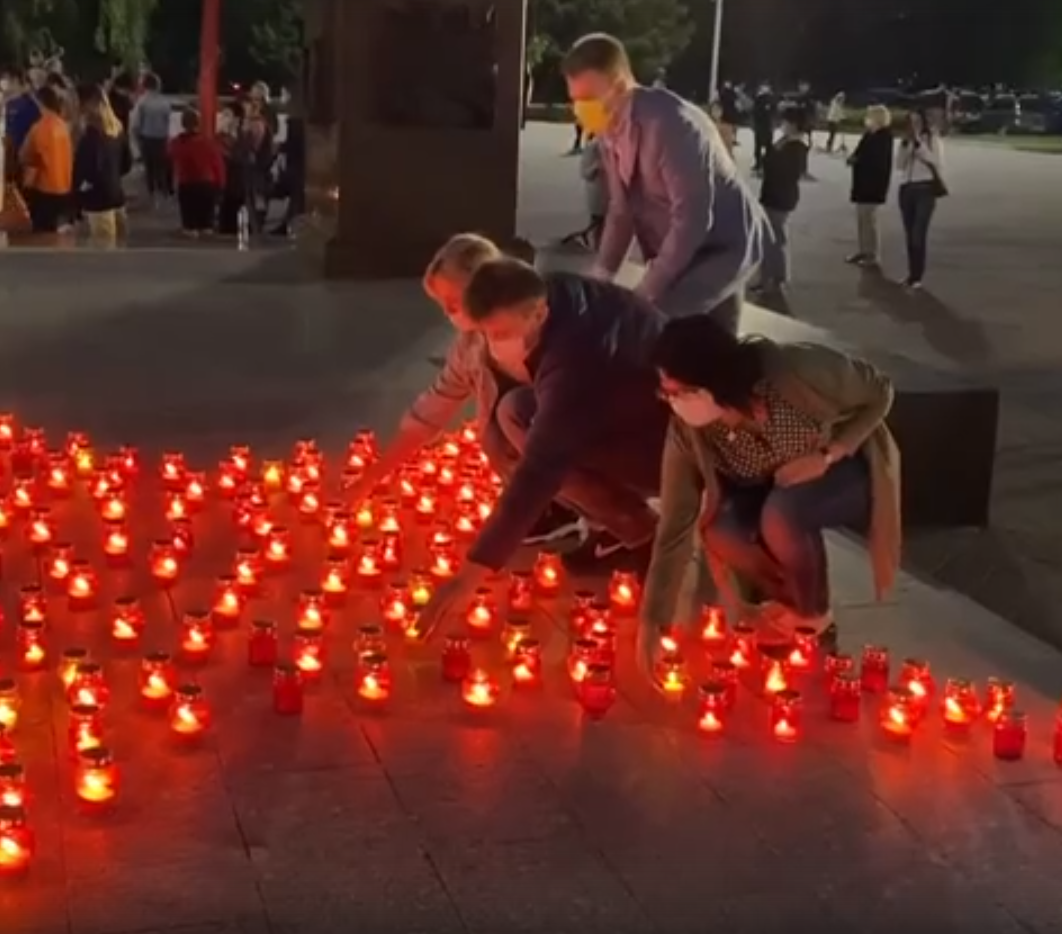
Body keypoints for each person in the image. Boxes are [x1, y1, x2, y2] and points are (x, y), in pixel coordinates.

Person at [407, 255, 672, 639]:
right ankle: (619, 526)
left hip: (663, 442)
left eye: (503, 334)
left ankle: (645, 536)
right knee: (515, 412)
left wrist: (470, 575)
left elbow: (540, 469)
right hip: (617, 407)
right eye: (490, 334)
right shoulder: (542, 289)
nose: (498, 344)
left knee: (537, 437)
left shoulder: (573, 357)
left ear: (538, 314)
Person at [639, 315, 900, 673]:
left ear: (717, 380)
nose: (675, 403)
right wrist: (652, 623)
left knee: (782, 515)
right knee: (720, 531)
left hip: (843, 469)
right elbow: (674, 526)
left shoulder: (795, 372)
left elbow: (880, 390)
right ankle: (789, 610)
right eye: (666, 392)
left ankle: (813, 619)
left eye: (683, 391)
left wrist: (828, 455)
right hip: (766, 490)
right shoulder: (690, 431)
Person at [343, 234, 587, 548]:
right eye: (443, 306)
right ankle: (549, 506)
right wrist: (368, 480)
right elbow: (430, 413)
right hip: (544, 449)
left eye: (453, 302)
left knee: (512, 410)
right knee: (496, 429)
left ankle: (593, 511)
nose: (449, 313)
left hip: (591, 431)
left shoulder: (545, 316)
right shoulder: (471, 348)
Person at [562, 33, 765, 324]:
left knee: (674, 324)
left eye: (588, 99)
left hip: (721, 245)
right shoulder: (610, 129)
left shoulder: (671, 126)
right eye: (575, 99)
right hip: (682, 246)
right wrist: (602, 276)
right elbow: (622, 210)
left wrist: (646, 293)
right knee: (680, 327)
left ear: (619, 87)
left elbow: (692, 220)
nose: (580, 110)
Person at [753, 108, 808, 297]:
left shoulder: (797, 146)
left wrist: (771, 158)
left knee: (773, 239)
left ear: (792, 124)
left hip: (781, 196)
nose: (782, 125)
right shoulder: (784, 142)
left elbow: (788, 171)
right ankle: (773, 277)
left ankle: (773, 279)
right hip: (772, 194)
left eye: (785, 122)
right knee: (773, 238)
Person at [896, 109, 946, 289]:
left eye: (916, 122)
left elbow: (936, 161)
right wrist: (905, 145)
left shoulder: (932, 139)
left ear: (923, 122)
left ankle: (917, 276)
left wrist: (918, 143)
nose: (912, 126)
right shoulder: (907, 141)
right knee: (909, 235)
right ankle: (911, 274)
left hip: (924, 189)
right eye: (910, 122)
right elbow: (899, 165)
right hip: (906, 189)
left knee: (918, 234)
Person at [73, 85, 126, 247]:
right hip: (117, 196)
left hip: (98, 201)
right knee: (119, 248)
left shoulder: (91, 135)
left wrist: (80, 190)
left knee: (102, 255)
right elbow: (127, 163)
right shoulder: (117, 129)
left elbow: (86, 171)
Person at [19, 85, 72, 234]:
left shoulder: (38, 128)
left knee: (42, 233)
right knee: (59, 233)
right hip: (64, 187)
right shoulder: (63, 126)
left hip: (45, 189)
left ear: (40, 103)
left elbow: (24, 155)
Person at [845, 105, 894, 267]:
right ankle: (863, 250)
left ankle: (872, 255)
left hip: (873, 185)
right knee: (862, 219)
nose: (867, 119)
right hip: (862, 183)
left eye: (870, 116)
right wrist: (853, 158)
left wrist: (858, 161)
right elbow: (860, 153)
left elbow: (878, 162)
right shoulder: (869, 135)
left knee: (869, 221)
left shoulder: (884, 137)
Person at [169, 109, 225, 236]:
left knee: (189, 224)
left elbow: (171, 159)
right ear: (198, 123)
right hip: (207, 184)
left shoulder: (176, 143)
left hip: (186, 184)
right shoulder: (208, 142)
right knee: (207, 224)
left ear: (183, 124)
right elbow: (218, 165)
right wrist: (221, 185)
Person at [133, 73, 173, 203]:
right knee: (161, 167)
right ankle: (163, 192)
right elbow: (167, 122)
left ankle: (151, 194)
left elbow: (136, 124)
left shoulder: (142, 102)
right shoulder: (165, 102)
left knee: (149, 168)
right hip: (162, 138)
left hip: (147, 138)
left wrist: (137, 140)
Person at [751, 82, 776, 175]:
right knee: (759, 146)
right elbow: (754, 111)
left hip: (766, 125)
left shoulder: (771, 98)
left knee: (766, 146)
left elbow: (773, 110)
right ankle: (758, 164)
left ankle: (765, 164)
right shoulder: (758, 98)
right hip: (761, 125)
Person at [715, 81, 741, 155]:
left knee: (723, 138)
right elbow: (738, 105)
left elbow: (718, 104)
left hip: (724, 118)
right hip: (729, 118)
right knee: (728, 138)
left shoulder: (722, 94)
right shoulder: (733, 95)